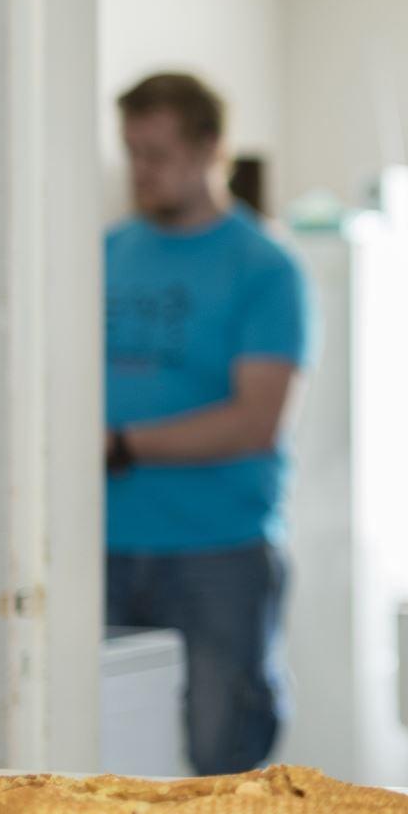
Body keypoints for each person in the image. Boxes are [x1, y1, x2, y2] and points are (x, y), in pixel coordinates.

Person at [104, 72, 311, 775]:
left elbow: (256, 420)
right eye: (131, 152)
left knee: (221, 758)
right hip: (101, 548)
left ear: (210, 148)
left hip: (216, 552)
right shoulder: (106, 252)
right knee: (107, 757)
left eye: (157, 153)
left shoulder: (263, 266)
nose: (141, 170)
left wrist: (122, 445)